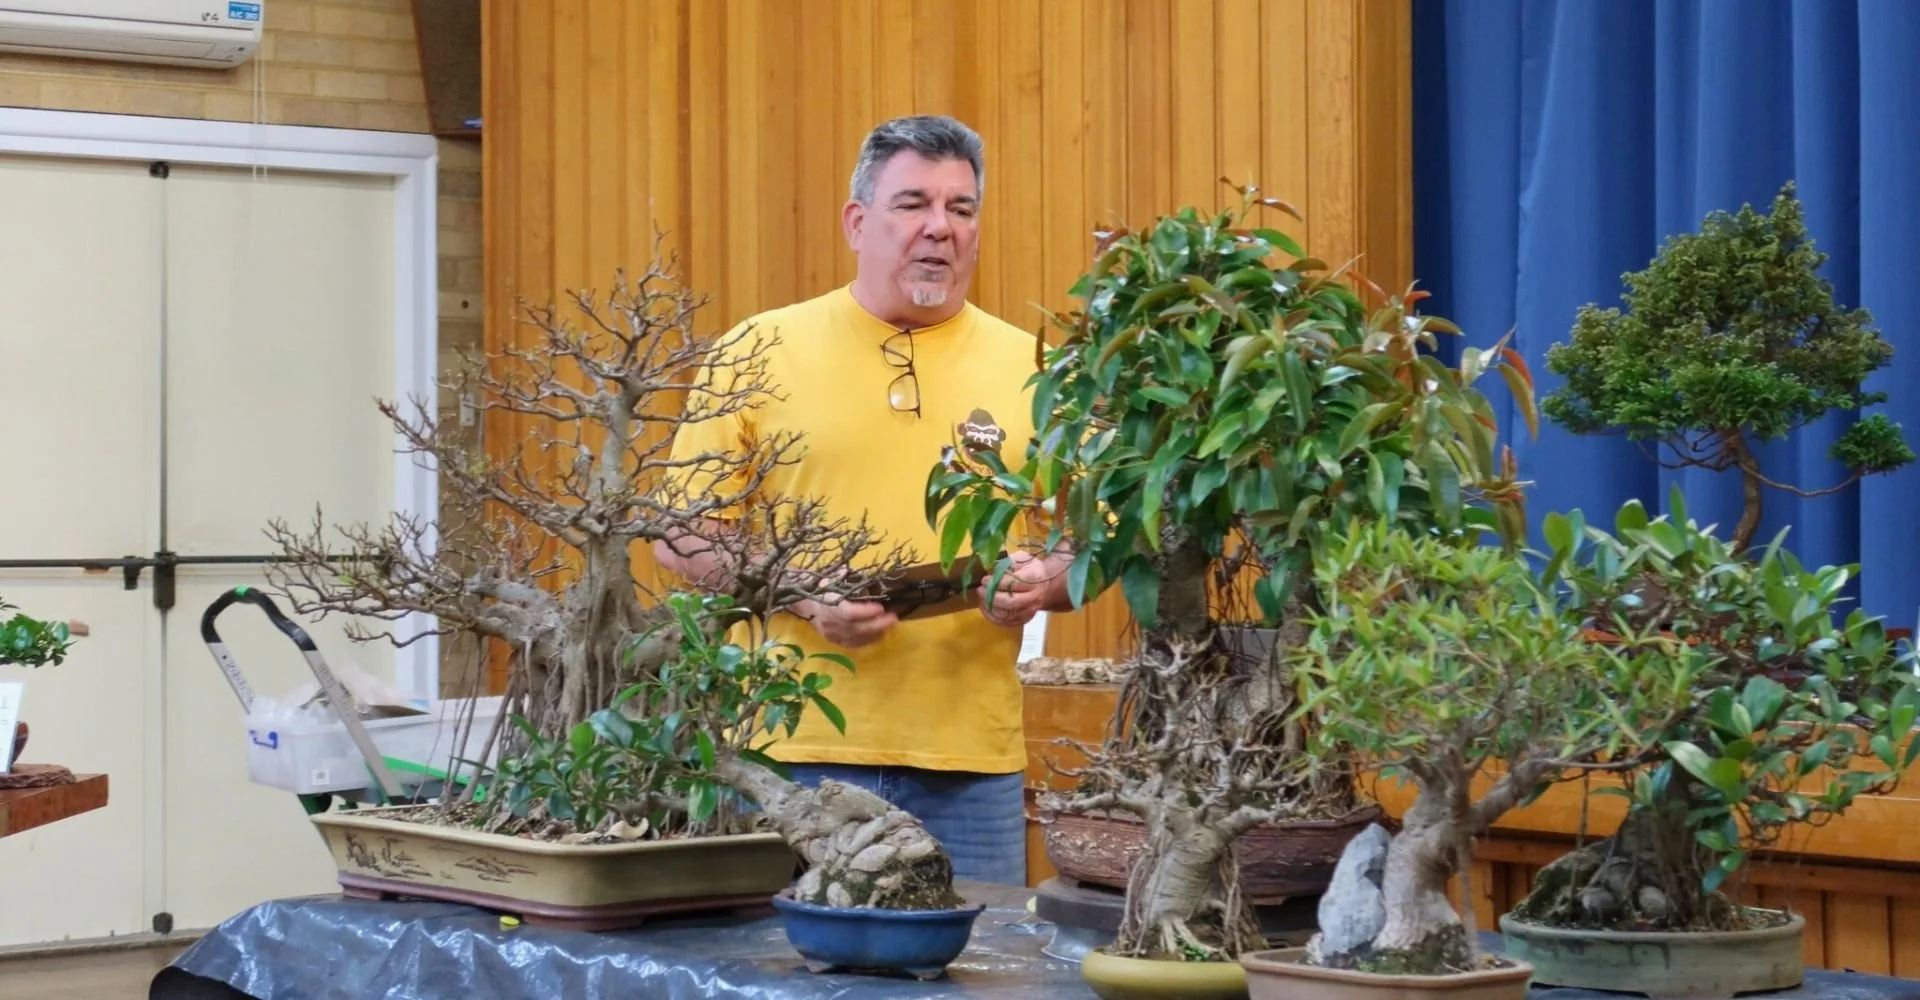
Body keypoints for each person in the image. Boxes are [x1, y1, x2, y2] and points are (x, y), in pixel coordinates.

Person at [654, 115, 1077, 886]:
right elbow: (682, 536)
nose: (939, 229)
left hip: (971, 761)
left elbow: (1106, 540)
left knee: (977, 975)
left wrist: (1046, 580)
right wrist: (803, 595)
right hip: (788, 750)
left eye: (961, 209)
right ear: (858, 222)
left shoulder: (1039, 368)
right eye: (913, 203)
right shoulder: (755, 350)